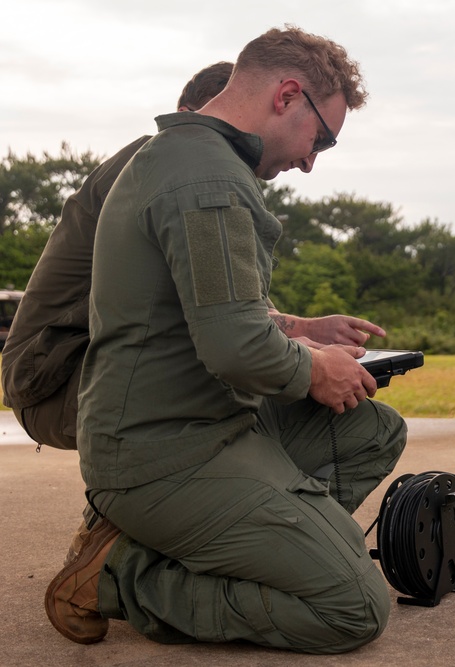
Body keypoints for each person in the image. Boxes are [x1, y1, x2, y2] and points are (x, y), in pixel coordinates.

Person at [43, 25, 407, 655]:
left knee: (370, 430)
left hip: (203, 427)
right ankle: (123, 577)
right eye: (320, 138)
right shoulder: (206, 180)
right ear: (287, 95)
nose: (311, 160)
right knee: (353, 607)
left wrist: (306, 343)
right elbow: (235, 345)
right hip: (164, 453)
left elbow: (221, 320)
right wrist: (318, 370)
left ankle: (208, 544)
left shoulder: (188, 159)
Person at [1, 61, 234, 451]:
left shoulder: (186, 172)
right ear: (182, 117)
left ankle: (128, 508)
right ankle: (130, 505)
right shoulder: (154, 163)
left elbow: (228, 299)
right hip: (48, 379)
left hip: (71, 369)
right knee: (238, 381)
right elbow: (213, 312)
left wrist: (297, 330)